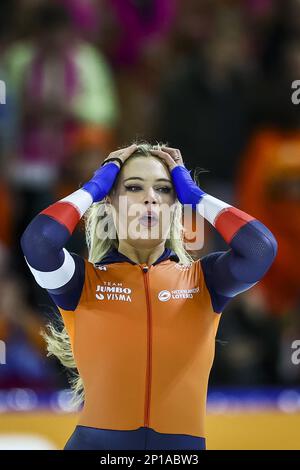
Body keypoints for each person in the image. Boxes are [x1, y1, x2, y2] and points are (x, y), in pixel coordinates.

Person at [20, 143, 277, 450]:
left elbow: (261, 249)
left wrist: (194, 196)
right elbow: (38, 242)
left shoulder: (205, 281)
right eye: (133, 187)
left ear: (174, 202)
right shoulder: (81, 281)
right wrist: (95, 187)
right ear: (111, 201)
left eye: (164, 189)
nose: (150, 198)